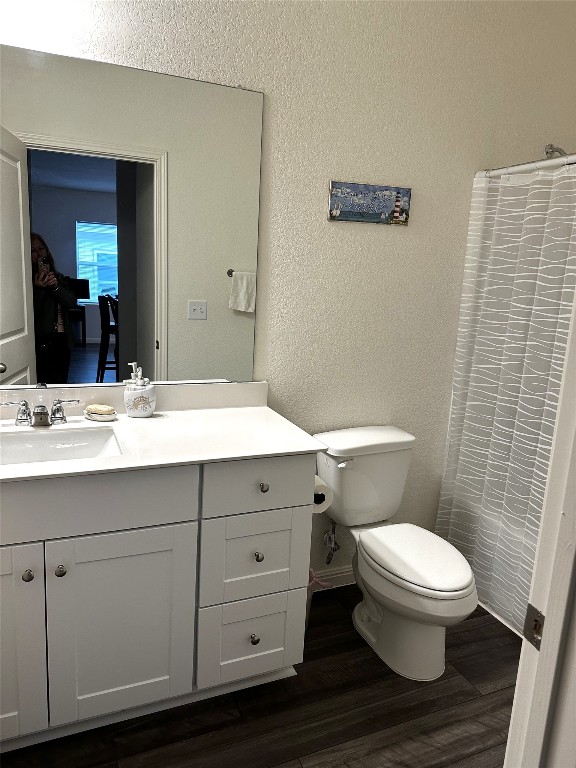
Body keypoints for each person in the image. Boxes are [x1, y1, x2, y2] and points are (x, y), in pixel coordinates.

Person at [31, 233, 78, 383]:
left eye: (41, 248)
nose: (39, 254)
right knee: (44, 383)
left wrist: (56, 287)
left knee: (61, 383)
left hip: (62, 340)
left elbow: (72, 303)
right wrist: (39, 288)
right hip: (41, 341)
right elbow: (30, 315)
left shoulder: (59, 278)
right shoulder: (27, 282)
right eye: (33, 250)